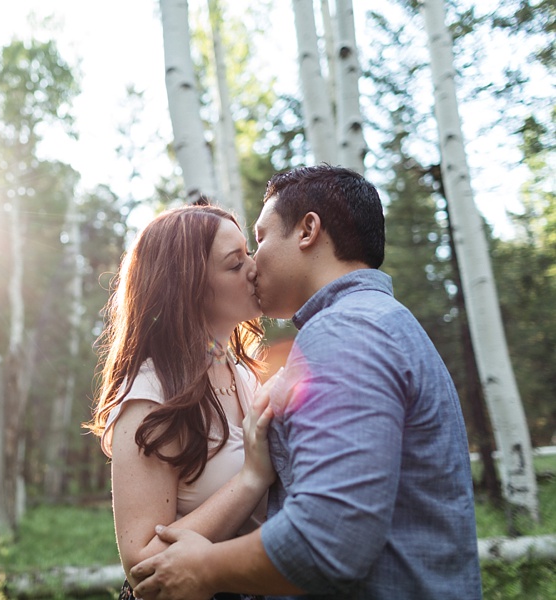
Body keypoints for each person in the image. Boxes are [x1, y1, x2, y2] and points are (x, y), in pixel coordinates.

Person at [129, 165, 483, 599]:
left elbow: (329, 537)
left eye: (258, 241)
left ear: (307, 231)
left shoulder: (345, 331)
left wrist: (206, 567)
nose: (254, 266)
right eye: (237, 260)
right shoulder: (375, 322)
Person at [84, 202, 278, 600]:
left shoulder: (243, 375)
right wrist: (250, 479)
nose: (255, 267)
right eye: (234, 263)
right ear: (187, 288)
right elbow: (142, 567)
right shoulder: (150, 398)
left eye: (249, 253)